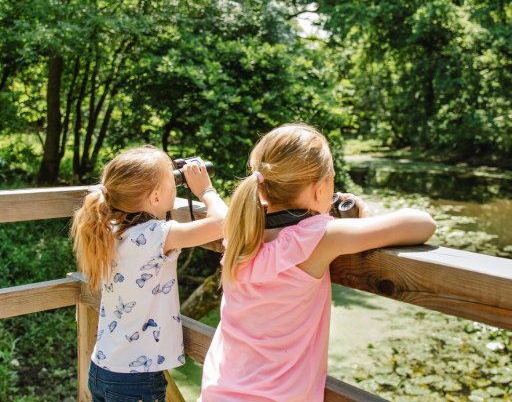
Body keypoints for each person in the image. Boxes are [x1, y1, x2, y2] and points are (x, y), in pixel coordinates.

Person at [199, 123, 436, 401]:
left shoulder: (241, 230)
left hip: (218, 392)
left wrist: (206, 191)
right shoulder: (319, 236)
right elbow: (422, 224)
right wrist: (368, 218)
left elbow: (220, 212)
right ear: (321, 189)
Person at [70, 145, 227, 401]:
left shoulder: (106, 227)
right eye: (172, 182)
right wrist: (205, 190)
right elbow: (224, 223)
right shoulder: (156, 235)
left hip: (102, 367)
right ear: (155, 198)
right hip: (136, 380)